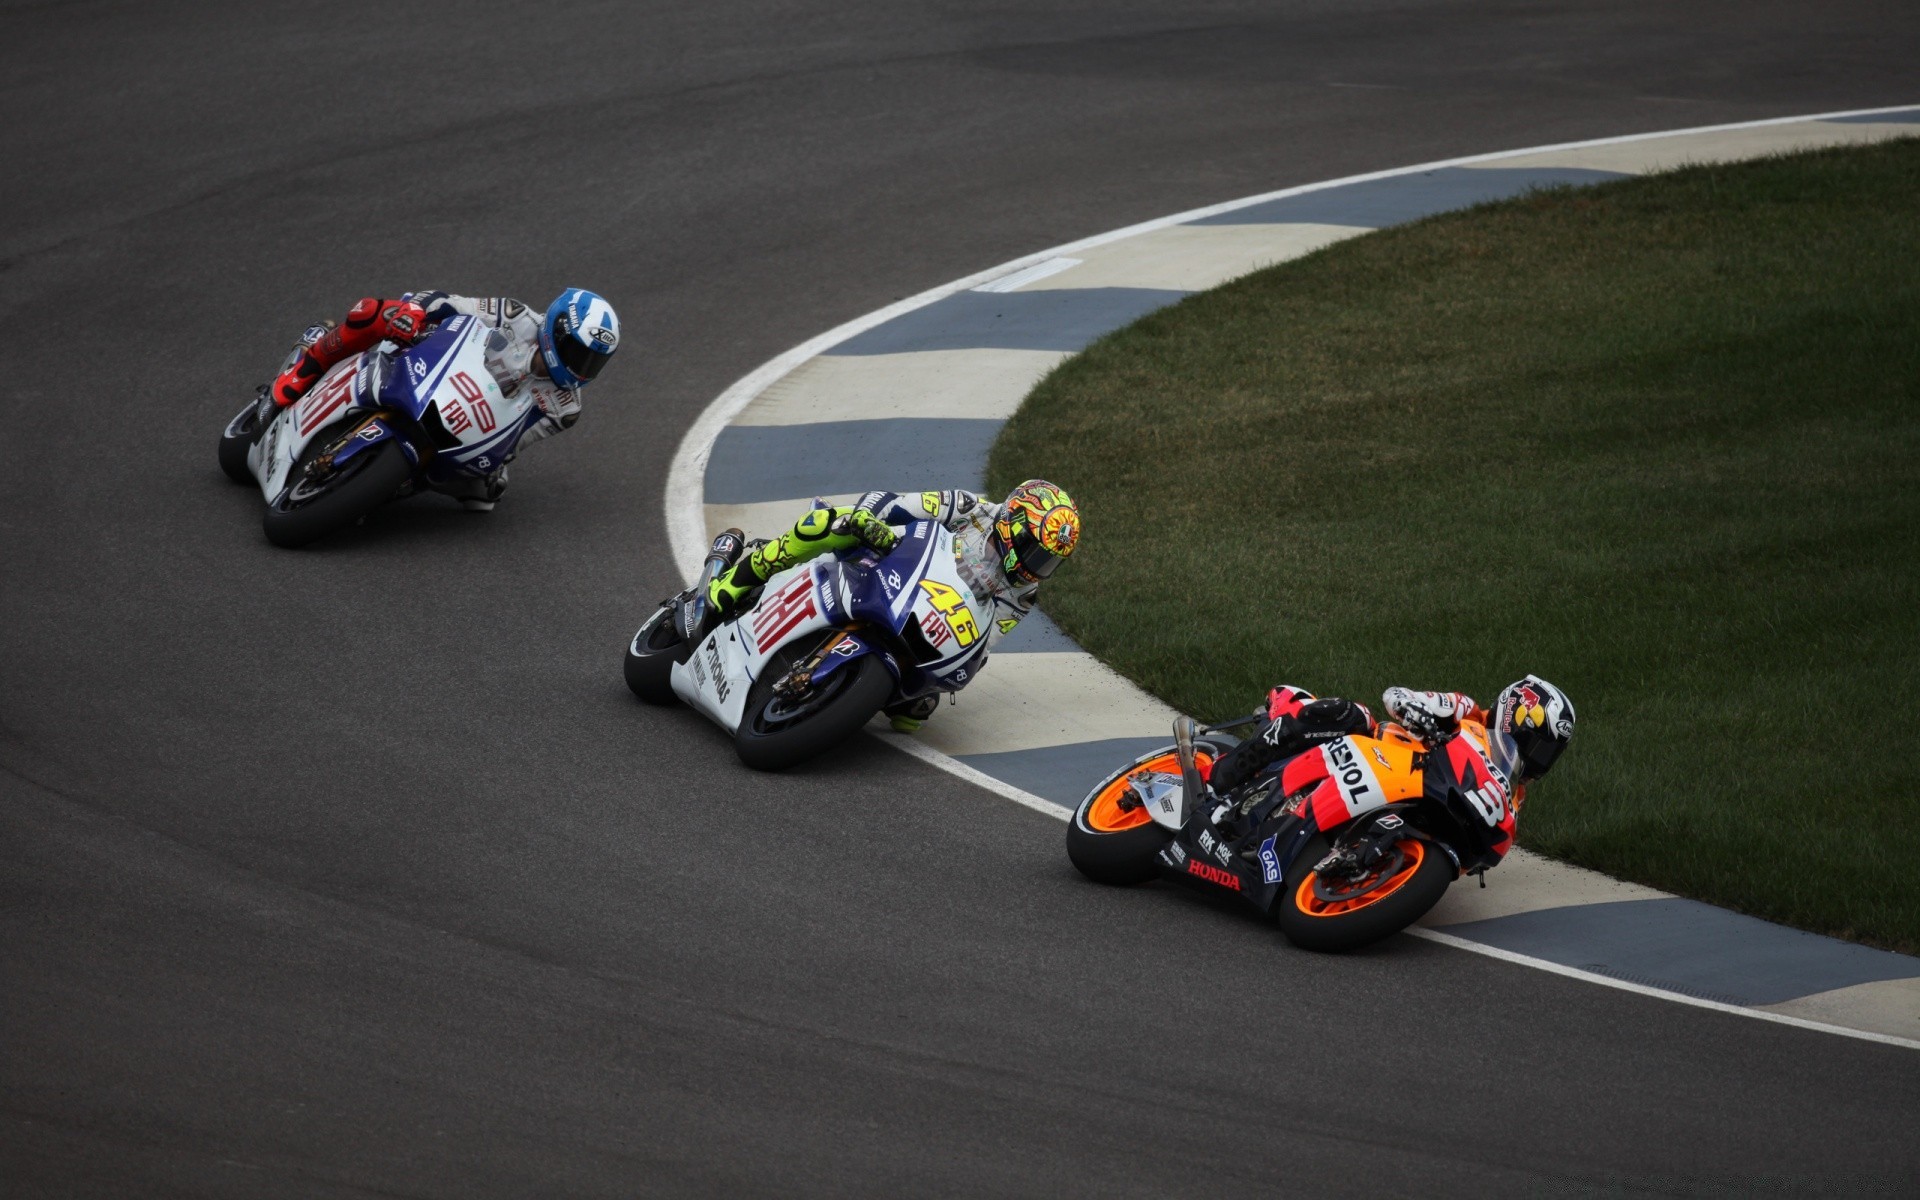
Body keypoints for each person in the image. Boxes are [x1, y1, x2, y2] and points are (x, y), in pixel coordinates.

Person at [705, 481, 1081, 732]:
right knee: (826, 524)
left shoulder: (1024, 594)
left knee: (916, 712)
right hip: (884, 558)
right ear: (1013, 524)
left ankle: (854, 689)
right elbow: (891, 504)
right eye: (1034, 552)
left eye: (1048, 561)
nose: (1036, 567)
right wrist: (872, 525)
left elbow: (986, 640)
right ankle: (737, 581)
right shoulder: (970, 508)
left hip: (926, 614)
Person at [265, 288, 619, 510]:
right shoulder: (516, 316)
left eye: (592, 361)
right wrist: (417, 312)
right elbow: (450, 303)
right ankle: (306, 367)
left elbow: (518, 441)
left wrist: (494, 461)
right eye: (577, 352)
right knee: (372, 312)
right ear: (556, 327)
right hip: (434, 365)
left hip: (473, 417)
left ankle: (387, 485)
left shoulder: (566, 408)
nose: (579, 366)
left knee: (485, 496)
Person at [1201, 676, 1575, 865]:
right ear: (1520, 715)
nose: (1542, 759)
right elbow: (1398, 696)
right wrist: (1419, 715)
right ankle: (1220, 782)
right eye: (1542, 745)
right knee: (1353, 715)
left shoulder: (1513, 795)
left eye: (1550, 753)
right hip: (1378, 753)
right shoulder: (1465, 710)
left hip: (1412, 799)